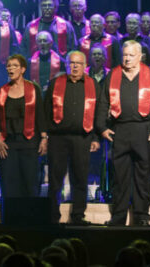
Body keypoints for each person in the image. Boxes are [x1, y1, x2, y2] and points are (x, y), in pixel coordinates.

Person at [96, 40, 150, 226]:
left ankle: (141, 216)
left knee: (143, 176)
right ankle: (118, 216)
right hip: (120, 130)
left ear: (140, 56)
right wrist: (102, 127)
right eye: (124, 55)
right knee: (120, 176)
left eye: (131, 55)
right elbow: (103, 103)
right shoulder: (113, 74)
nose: (126, 58)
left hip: (145, 130)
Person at [45, 52, 100, 225]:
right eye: (71, 63)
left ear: (85, 66)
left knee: (80, 178)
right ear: (66, 65)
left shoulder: (93, 85)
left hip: (82, 138)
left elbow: (99, 113)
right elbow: (46, 111)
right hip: (57, 139)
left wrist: (95, 137)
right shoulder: (55, 84)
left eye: (78, 63)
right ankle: (52, 216)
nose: (75, 66)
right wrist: (44, 136)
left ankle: (78, 215)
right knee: (55, 180)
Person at [0, 54, 47, 200]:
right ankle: (11, 220)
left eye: (14, 66)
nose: (10, 69)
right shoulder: (3, 90)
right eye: (8, 66)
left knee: (29, 183)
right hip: (8, 143)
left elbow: (40, 114)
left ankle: (29, 219)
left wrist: (44, 138)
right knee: (9, 184)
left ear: (23, 69)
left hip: (29, 141)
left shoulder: (33, 88)